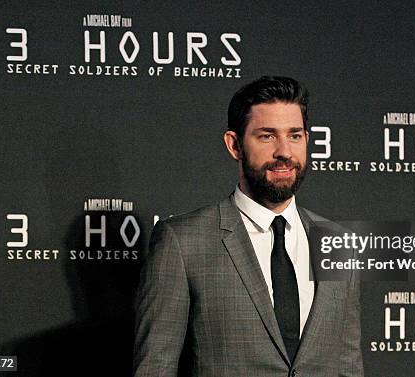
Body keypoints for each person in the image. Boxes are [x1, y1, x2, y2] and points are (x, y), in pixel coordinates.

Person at [133, 76, 363, 377]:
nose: (284, 151)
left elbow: (348, 367)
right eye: (267, 136)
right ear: (235, 145)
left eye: (294, 136)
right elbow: (155, 369)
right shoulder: (183, 242)